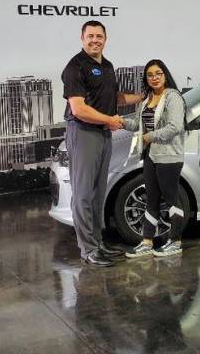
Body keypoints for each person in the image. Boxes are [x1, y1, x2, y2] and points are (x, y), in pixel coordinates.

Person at [61, 20, 143, 267]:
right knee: (83, 194)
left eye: (99, 36)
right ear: (82, 38)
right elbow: (78, 109)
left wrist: (144, 95)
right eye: (90, 36)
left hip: (103, 134)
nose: (95, 40)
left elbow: (114, 98)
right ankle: (87, 250)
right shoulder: (75, 67)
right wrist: (110, 120)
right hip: (84, 132)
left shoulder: (106, 66)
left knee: (98, 194)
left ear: (105, 39)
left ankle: (98, 243)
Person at [123, 59, 187, 258]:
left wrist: (149, 137)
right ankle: (147, 242)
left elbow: (175, 126)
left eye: (158, 73)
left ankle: (175, 241)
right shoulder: (147, 99)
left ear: (165, 74)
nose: (154, 78)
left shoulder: (173, 97)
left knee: (171, 200)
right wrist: (120, 122)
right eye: (150, 75)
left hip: (168, 156)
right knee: (151, 199)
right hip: (150, 155)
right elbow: (138, 124)